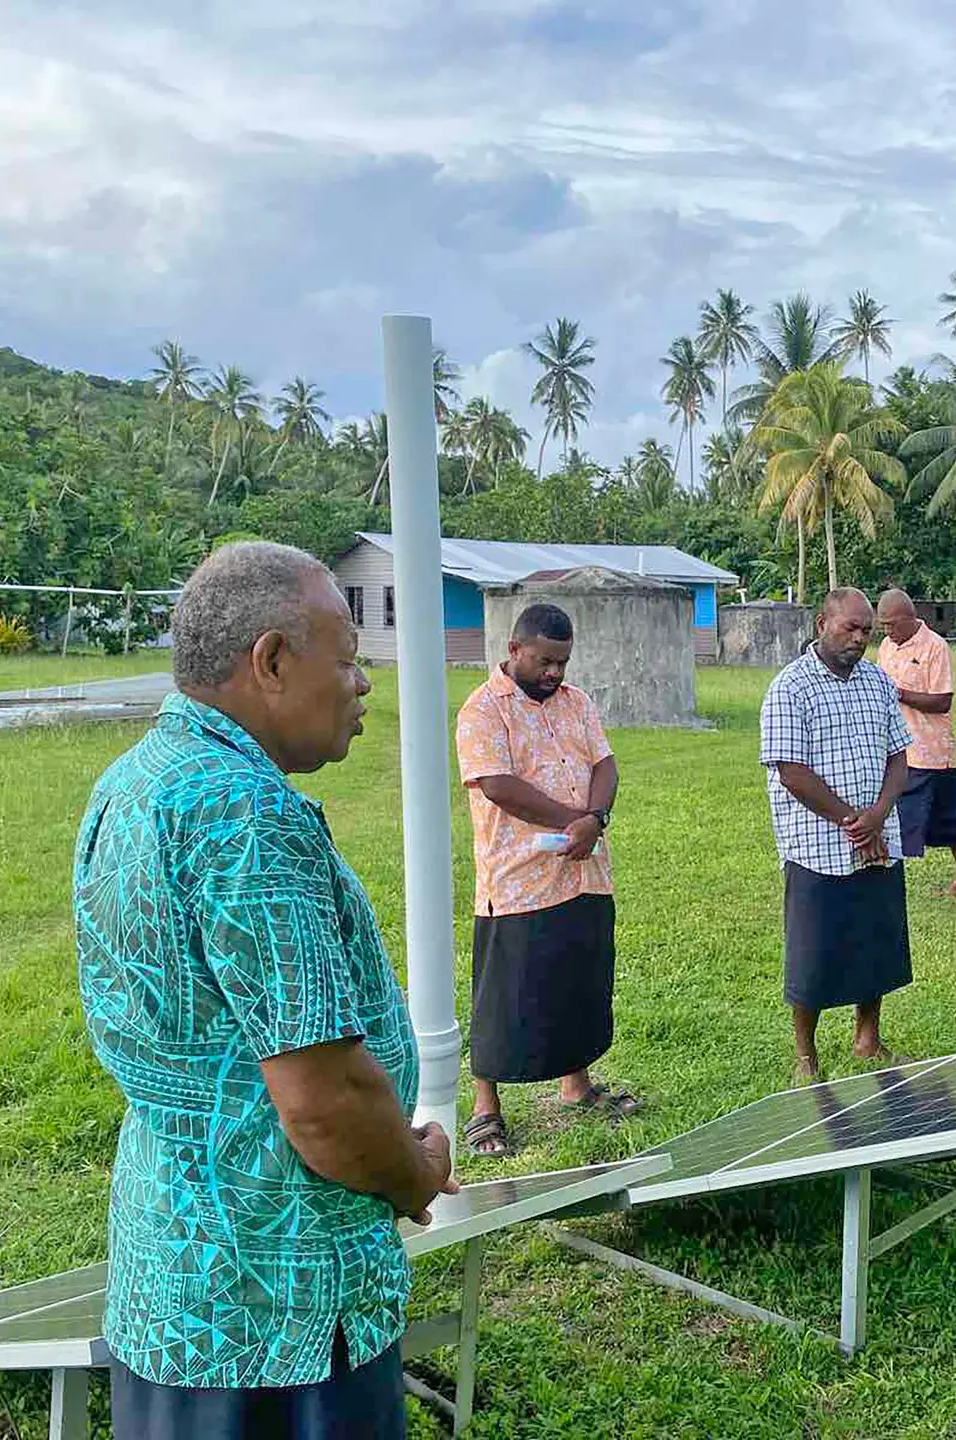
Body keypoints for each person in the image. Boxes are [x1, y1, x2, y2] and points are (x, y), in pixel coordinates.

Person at [75, 542, 455, 1440]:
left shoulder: (138, 781)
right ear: (273, 661)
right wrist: (414, 1176)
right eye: (349, 659)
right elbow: (323, 1104)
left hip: (176, 1276)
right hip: (276, 1307)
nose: (364, 684)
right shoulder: (247, 813)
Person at [455, 602, 637, 1157]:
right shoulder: (483, 710)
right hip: (517, 880)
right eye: (545, 661)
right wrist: (574, 821)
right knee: (503, 994)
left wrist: (596, 819)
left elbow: (604, 764)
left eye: (563, 662)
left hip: (583, 873)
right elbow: (496, 785)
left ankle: (576, 1087)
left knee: (578, 981)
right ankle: (486, 1109)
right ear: (514, 651)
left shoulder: (576, 703)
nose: (555, 673)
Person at [760, 588, 914, 1082]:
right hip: (817, 843)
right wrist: (854, 819)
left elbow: (898, 756)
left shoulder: (878, 682)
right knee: (815, 950)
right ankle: (806, 1053)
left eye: (867, 630)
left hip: (878, 837)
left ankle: (867, 1037)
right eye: (850, 627)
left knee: (876, 940)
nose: (859, 638)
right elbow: (791, 771)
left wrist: (879, 813)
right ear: (822, 622)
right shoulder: (791, 687)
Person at [876, 588, 956, 896]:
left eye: (892, 625)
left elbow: (942, 701)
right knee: (899, 819)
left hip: (932, 752)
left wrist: (900, 693)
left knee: (949, 822)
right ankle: (886, 880)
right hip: (897, 752)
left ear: (909, 618)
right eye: (883, 626)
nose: (888, 631)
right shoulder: (886, 647)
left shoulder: (935, 647)